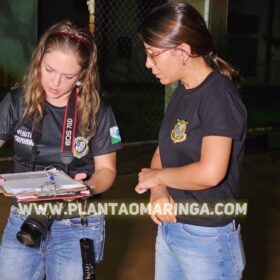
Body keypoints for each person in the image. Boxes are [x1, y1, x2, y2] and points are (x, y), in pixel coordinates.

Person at [0, 21, 122, 279]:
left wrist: (86, 187)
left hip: (77, 222)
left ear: (83, 74)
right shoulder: (15, 102)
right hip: (26, 216)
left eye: (68, 76)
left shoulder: (98, 112)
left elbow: (107, 171)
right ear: (38, 61)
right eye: (49, 69)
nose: (55, 82)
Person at [135, 1, 247, 279]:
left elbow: (210, 173)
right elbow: (163, 151)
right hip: (171, 228)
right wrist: (159, 190)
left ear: (182, 51)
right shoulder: (181, 93)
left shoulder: (218, 96)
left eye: (153, 54)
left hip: (208, 238)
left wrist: (157, 177)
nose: (148, 63)